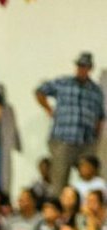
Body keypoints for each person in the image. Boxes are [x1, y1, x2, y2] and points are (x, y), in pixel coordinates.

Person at [36, 53, 106, 197]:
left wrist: (95, 139)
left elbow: (100, 116)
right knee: (59, 180)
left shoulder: (95, 91)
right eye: (79, 66)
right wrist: (48, 109)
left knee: (92, 180)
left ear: (90, 68)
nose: (81, 70)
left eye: (85, 67)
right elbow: (40, 90)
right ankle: (58, 211)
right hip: (63, 140)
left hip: (86, 142)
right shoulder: (63, 83)